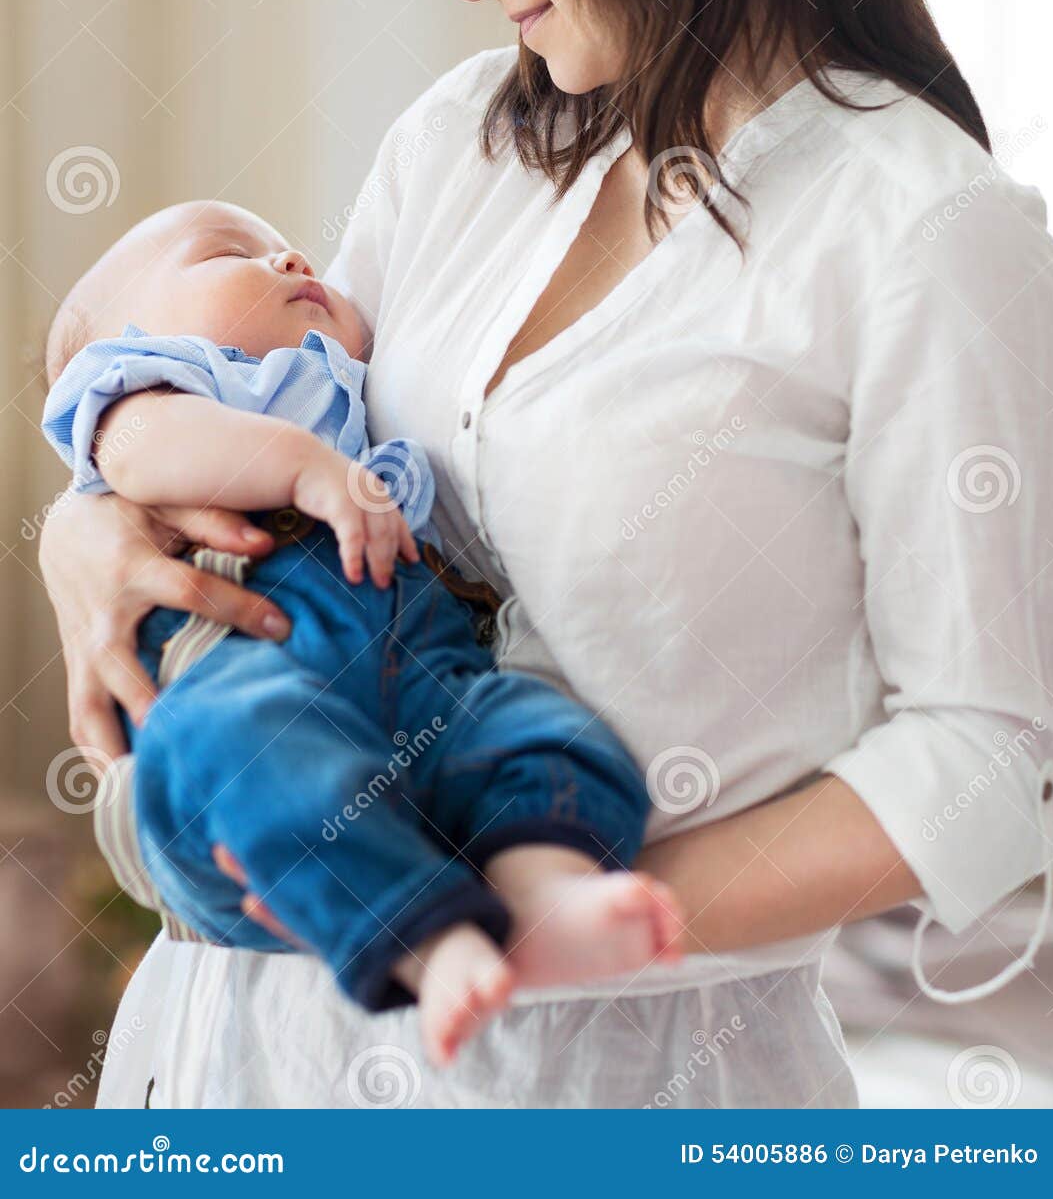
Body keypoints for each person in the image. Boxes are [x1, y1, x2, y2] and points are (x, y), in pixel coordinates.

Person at [40, 0, 1053, 1109]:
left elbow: (993, 756)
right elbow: (265, 415)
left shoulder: (922, 232)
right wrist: (89, 522)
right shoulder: (460, 142)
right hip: (243, 1057)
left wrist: (549, 923)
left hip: (617, 1086)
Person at [40, 199, 681, 1066]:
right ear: (125, 344)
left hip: (417, 683)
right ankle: (430, 940)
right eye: (228, 253)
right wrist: (306, 470)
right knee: (254, 750)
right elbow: (142, 452)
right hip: (244, 687)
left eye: (287, 246)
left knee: (541, 729)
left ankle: (542, 890)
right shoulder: (150, 391)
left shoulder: (353, 396)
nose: (292, 259)